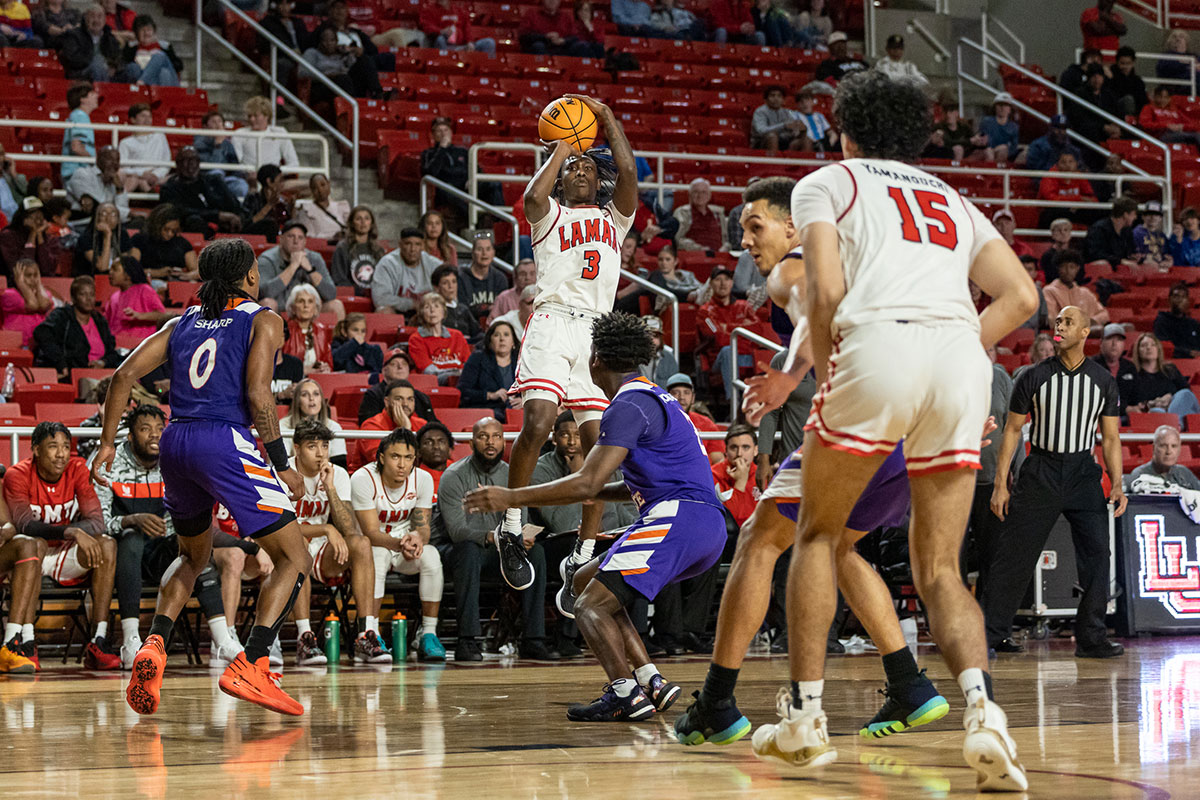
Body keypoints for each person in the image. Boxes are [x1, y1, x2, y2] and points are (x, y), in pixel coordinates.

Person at [749, 72, 1036, 790]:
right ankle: (983, 712)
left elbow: (822, 289)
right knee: (940, 567)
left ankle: (806, 719)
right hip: (959, 360)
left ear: (846, 129)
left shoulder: (829, 181)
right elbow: (1023, 297)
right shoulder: (954, 199)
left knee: (818, 533)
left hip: (877, 345)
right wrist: (963, 343)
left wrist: (831, 361)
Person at [92, 237, 316, 717]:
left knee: (192, 557)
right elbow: (259, 396)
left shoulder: (181, 323)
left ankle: (154, 644)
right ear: (251, 276)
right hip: (222, 441)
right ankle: (253, 663)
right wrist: (282, 464)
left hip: (176, 442)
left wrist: (108, 442)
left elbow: (122, 376)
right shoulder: (264, 318)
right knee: (295, 557)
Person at [465, 311, 727, 719]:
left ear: (596, 360)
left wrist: (510, 495)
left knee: (589, 605)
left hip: (679, 518)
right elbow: (630, 484)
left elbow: (586, 482)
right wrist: (594, 493)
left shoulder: (628, 403)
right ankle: (651, 680)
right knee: (586, 579)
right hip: (700, 520)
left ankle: (624, 693)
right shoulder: (657, 397)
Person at [505, 94, 637, 616]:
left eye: (586, 164)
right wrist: (563, 147)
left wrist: (604, 120)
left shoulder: (615, 219)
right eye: (573, 167)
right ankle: (512, 527)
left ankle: (582, 552)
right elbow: (531, 199)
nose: (581, 169)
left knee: (599, 450)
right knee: (538, 420)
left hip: (596, 336)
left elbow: (626, 169)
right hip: (554, 323)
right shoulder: (550, 213)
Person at [986, 306, 1126, 663]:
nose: (1058, 326)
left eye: (1067, 322)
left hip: (1082, 471)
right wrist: (1001, 484)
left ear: (1084, 333)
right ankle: (992, 634)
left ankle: (1091, 637)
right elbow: (1013, 430)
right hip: (1042, 470)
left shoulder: (1102, 381)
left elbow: (1109, 439)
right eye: (1057, 321)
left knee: (1098, 556)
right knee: (1014, 554)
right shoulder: (1033, 376)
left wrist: (1119, 484)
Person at [100, 406, 244, 669]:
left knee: (196, 551)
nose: (154, 435)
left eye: (159, 429)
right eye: (145, 429)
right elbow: (99, 521)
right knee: (131, 538)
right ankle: (131, 639)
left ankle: (222, 640)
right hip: (124, 555)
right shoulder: (110, 464)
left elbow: (186, 523)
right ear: (130, 437)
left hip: (162, 551)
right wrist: (130, 520)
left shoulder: (173, 462)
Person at [435, 417, 555, 661]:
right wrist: (493, 537)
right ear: (471, 442)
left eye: (496, 436)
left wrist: (522, 537)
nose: (490, 442)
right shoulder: (454, 475)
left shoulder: (513, 475)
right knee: (467, 551)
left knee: (537, 553)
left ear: (504, 441)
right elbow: (457, 532)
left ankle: (533, 639)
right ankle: (467, 641)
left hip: (503, 551)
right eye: (483, 436)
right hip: (460, 552)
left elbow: (520, 521)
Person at [5, 421, 118, 669]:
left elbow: (97, 522)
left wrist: (76, 533)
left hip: (63, 552)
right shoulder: (18, 474)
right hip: (29, 554)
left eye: (66, 447)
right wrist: (72, 531)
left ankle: (98, 639)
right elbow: (25, 524)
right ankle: (26, 641)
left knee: (107, 545)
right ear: (35, 450)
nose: (61, 454)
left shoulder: (77, 470)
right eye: (53, 446)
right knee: (34, 544)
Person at [351, 427, 445, 662]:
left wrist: (418, 538)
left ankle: (428, 634)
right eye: (395, 457)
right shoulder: (363, 479)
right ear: (382, 457)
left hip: (402, 547)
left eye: (408, 457)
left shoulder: (422, 479)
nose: (402, 464)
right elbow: (371, 533)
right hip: (372, 547)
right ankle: (368, 634)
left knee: (432, 556)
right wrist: (399, 542)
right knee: (378, 555)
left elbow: (423, 525)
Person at [287, 419, 375, 665]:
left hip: (321, 550)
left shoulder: (337, 475)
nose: (320, 453)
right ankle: (305, 638)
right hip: (284, 548)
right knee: (299, 546)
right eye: (312, 446)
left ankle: (366, 635)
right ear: (297, 449)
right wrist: (325, 528)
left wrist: (331, 488)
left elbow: (348, 528)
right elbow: (282, 528)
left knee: (362, 544)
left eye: (324, 446)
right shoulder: (281, 473)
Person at [33, 275, 120, 378]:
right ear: (74, 298)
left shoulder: (100, 321)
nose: (88, 299)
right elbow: (41, 333)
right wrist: (61, 364)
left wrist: (103, 362)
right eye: (83, 294)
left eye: (91, 294)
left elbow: (111, 351)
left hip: (101, 374)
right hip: (72, 374)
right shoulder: (62, 316)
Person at [697, 266, 758, 401]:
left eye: (727, 279)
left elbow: (758, 332)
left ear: (732, 283)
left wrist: (728, 327)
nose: (723, 283)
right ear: (711, 284)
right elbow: (719, 339)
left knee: (772, 355)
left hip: (747, 357)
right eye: (718, 279)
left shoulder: (744, 306)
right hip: (719, 361)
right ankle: (734, 405)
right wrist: (743, 333)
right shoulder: (705, 311)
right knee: (727, 351)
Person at [160, 147, 247, 236]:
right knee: (194, 220)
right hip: (195, 227)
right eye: (186, 160)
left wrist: (236, 217)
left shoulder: (213, 180)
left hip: (226, 226)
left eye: (194, 160)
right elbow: (181, 211)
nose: (191, 164)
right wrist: (218, 216)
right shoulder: (169, 188)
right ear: (177, 164)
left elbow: (233, 204)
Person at [256, 221, 339, 314]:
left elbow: (331, 294)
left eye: (300, 238)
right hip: (279, 310)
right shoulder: (267, 259)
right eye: (291, 236)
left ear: (305, 242)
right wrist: (293, 266)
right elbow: (264, 293)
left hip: (308, 311)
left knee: (336, 305)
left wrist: (310, 270)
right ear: (281, 239)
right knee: (267, 303)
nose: (296, 241)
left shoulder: (315, 258)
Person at [458, 319, 520, 420]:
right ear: (490, 341)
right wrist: (490, 395)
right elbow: (463, 391)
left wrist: (523, 401)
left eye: (506, 335)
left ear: (513, 341)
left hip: (516, 411)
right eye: (496, 335)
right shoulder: (477, 359)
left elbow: (533, 389)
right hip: (487, 411)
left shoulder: (522, 361)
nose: (502, 339)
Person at [279, 378, 347, 467]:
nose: (311, 398)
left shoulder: (334, 427)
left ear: (322, 400)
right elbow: (281, 465)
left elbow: (340, 466)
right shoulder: (283, 426)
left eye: (316, 394)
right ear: (297, 401)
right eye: (304, 395)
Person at [1129, 332, 1200, 417]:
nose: (1148, 348)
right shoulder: (1133, 375)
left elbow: (1186, 394)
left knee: (1185, 394)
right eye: (1144, 345)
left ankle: (1174, 423)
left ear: (1158, 349)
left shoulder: (1170, 370)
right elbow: (1134, 402)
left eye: (1153, 345)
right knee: (1157, 411)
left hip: (1177, 409)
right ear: (1138, 351)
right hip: (1153, 413)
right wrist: (1152, 403)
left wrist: (1170, 397)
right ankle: (1174, 424)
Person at [356, 349, 437, 424]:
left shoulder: (422, 397)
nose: (400, 367)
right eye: (394, 364)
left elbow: (434, 426)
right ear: (384, 370)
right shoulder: (373, 395)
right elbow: (367, 426)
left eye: (404, 364)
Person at [372, 227, 440, 316]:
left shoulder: (433, 264)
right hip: (398, 312)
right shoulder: (387, 263)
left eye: (417, 244)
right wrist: (413, 304)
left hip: (427, 312)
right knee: (383, 311)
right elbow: (380, 298)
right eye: (408, 244)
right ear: (400, 245)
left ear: (423, 246)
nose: (413, 249)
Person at [358, 380, 428, 465]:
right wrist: (404, 430)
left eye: (410, 399)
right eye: (399, 399)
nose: (405, 404)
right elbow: (383, 462)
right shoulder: (371, 426)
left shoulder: (422, 424)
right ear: (387, 402)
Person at [103, 256, 172, 340]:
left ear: (128, 275)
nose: (110, 272)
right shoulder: (114, 297)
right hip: (116, 343)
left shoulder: (145, 290)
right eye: (110, 269)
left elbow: (161, 315)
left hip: (139, 343)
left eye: (115, 270)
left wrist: (139, 316)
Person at [409, 293, 471, 385]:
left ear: (443, 312)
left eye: (436, 306)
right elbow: (429, 371)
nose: (432, 310)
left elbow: (469, 364)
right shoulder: (416, 339)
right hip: (434, 381)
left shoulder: (457, 336)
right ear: (421, 313)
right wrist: (455, 373)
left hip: (461, 378)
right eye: (427, 307)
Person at [1042, 250, 1108, 333]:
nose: (1068, 271)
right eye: (1063, 267)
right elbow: (1051, 320)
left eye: (1072, 267)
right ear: (1058, 268)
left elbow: (1104, 314)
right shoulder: (1049, 291)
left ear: (1077, 268)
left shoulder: (1085, 293)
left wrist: (1091, 321)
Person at [128, 204, 198, 280]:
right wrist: (157, 273)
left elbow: (196, 271)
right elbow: (132, 270)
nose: (170, 234)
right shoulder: (140, 239)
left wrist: (185, 276)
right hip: (148, 282)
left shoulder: (183, 244)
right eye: (166, 229)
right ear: (157, 225)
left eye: (174, 231)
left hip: (175, 283)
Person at [419, 117, 470, 223]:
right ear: (433, 135)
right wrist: (442, 148)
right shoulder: (429, 153)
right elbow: (429, 173)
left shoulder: (462, 151)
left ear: (451, 133)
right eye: (439, 131)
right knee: (449, 193)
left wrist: (472, 180)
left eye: (446, 130)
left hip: (465, 186)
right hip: (445, 189)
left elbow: (478, 170)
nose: (443, 134)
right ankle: (474, 219)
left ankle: (497, 218)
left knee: (493, 184)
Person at [233, 96, 302, 173]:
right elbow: (236, 163)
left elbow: (293, 163)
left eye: (256, 116)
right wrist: (248, 172)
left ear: (267, 116)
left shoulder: (280, 132)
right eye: (250, 116)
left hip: (275, 179)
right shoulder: (239, 134)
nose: (252, 119)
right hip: (248, 178)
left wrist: (276, 173)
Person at [666, 373, 724, 464]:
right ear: (666, 397)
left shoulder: (706, 423)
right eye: (676, 393)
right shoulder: (657, 422)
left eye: (686, 393)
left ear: (693, 398)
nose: (681, 397)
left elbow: (718, 460)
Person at [711, 424, 760, 529]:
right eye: (734, 448)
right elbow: (726, 524)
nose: (739, 453)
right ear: (726, 451)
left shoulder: (762, 475)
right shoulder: (713, 475)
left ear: (755, 450)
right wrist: (740, 483)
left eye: (746, 447)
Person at [57, 4, 122, 82]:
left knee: (133, 69)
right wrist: (94, 61)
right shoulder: (74, 35)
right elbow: (72, 59)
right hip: (82, 73)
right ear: (85, 18)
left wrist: (114, 67)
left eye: (99, 16)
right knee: (98, 63)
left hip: (107, 72)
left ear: (105, 20)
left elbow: (118, 57)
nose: (96, 20)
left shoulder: (109, 37)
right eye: (92, 16)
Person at [194, 110, 248, 199]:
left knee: (242, 186)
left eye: (220, 122)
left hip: (225, 181)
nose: (218, 125)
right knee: (216, 173)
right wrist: (217, 145)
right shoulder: (200, 142)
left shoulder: (227, 144)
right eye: (214, 122)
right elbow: (213, 166)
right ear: (205, 127)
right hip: (206, 180)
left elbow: (235, 165)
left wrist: (243, 176)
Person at [1, 258, 56, 347]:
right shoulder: (9, 294)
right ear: (17, 276)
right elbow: (33, 305)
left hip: (40, 344)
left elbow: (44, 306)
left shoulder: (44, 294)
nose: (33, 279)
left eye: (35, 275)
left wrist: (38, 285)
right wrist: (21, 284)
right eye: (28, 275)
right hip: (16, 342)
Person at [66, 145, 129, 221]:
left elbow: (123, 210)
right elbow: (99, 208)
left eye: (117, 160)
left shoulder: (116, 182)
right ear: (98, 160)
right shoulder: (82, 174)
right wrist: (128, 214)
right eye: (110, 159)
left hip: (110, 224)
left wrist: (119, 189)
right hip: (83, 223)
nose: (114, 163)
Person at [331, 205, 385, 294]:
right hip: (352, 296)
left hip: (376, 296)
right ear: (352, 223)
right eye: (358, 219)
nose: (363, 222)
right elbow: (339, 279)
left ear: (371, 224)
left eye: (367, 218)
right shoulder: (342, 247)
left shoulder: (379, 249)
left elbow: (383, 279)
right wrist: (360, 292)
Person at [519, 0, 601, 57]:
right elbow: (524, 36)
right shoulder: (531, 14)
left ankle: (582, 76)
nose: (552, 0)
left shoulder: (566, 17)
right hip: (543, 48)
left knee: (582, 46)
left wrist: (563, 41)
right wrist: (545, 37)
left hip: (562, 49)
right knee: (538, 46)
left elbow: (575, 37)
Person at [117, 105, 169, 193]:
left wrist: (155, 175)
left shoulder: (160, 136)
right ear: (133, 119)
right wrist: (142, 174)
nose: (147, 120)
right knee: (135, 180)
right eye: (143, 116)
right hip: (136, 177)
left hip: (158, 176)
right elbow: (123, 168)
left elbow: (166, 162)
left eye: (149, 116)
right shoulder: (125, 142)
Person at [281, 284, 332, 374]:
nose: (306, 306)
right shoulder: (284, 331)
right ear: (292, 308)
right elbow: (278, 365)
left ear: (316, 308)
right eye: (301, 301)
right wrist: (301, 370)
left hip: (317, 380)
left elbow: (328, 362)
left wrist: (325, 368)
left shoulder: (321, 331)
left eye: (310, 301)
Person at [1129, 425, 1200, 491]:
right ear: (1154, 448)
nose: (1169, 451)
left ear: (1179, 450)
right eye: (1163, 446)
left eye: (1174, 446)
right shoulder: (1140, 475)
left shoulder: (1185, 473)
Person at [1036, 151, 1096, 227]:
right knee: (1053, 213)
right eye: (1063, 162)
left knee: (1094, 212)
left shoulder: (1079, 176)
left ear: (1076, 164)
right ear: (1057, 164)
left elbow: (1092, 198)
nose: (1067, 165)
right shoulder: (1050, 177)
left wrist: (1079, 204)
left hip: (1075, 209)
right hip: (1052, 211)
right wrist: (1077, 200)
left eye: (1071, 162)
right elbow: (1051, 199)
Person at [0, 197, 56, 276]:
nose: (37, 221)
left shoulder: (48, 237)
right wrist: (32, 235)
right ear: (23, 218)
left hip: (44, 283)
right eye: (33, 217)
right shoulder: (8, 236)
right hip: (14, 283)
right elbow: (22, 269)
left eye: (40, 217)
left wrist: (39, 236)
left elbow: (47, 269)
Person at [457, 235, 508, 319]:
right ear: (473, 253)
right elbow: (461, 310)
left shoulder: (500, 278)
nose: (484, 253)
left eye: (488, 249)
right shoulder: (461, 277)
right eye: (480, 249)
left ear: (493, 253)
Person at [419, 0, 496, 53]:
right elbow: (426, 27)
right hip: (445, 45)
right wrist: (441, 31)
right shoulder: (428, 10)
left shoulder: (459, 10)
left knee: (489, 42)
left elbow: (466, 28)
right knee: (440, 39)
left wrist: (470, 42)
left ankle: (486, 70)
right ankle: (446, 63)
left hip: (462, 46)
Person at [674, 178, 728, 253]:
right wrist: (698, 249)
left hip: (719, 255)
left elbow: (727, 239)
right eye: (696, 192)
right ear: (690, 195)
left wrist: (725, 248)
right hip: (694, 255)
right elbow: (677, 238)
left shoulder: (718, 213)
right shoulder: (682, 212)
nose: (700, 195)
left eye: (704, 192)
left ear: (709, 195)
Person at [1093, 322, 1136, 415]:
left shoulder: (1130, 367)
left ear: (1124, 344)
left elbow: (1136, 397)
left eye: (1119, 340)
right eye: (1109, 338)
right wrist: (1124, 408)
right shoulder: (1091, 366)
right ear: (1101, 343)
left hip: (1126, 418)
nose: (1114, 343)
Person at [1084, 196, 1139, 268]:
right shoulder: (1099, 229)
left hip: (1120, 267)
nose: (1135, 217)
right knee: (1103, 265)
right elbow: (1095, 254)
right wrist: (1120, 261)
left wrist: (1134, 257)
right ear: (1125, 214)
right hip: (1101, 268)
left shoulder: (1127, 231)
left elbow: (1130, 251)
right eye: (1134, 214)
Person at [241, 163, 292, 241]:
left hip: (282, 237)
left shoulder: (281, 201)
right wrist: (270, 205)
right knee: (270, 224)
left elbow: (287, 222)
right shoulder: (253, 198)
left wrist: (292, 207)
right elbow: (247, 224)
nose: (282, 183)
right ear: (269, 181)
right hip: (257, 237)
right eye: (280, 180)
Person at [60, 82, 98, 183]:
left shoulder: (77, 115)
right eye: (92, 94)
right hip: (78, 174)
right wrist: (95, 162)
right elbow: (76, 147)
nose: (97, 96)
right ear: (82, 99)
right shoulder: (80, 116)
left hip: (76, 173)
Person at [292, 174, 348, 242]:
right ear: (311, 190)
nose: (320, 190)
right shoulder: (306, 210)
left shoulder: (341, 206)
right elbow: (308, 236)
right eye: (315, 188)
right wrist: (333, 237)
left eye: (323, 185)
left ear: (329, 184)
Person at [1017, 115, 1083, 172]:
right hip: (1044, 181)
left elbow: (1081, 168)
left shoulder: (1072, 149)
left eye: (1063, 129)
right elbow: (1033, 169)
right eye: (1057, 128)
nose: (1060, 132)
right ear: (1050, 128)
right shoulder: (1038, 145)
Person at [750, 86, 802, 153]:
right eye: (772, 96)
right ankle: (774, 162)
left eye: (779, 96)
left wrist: (797, 130)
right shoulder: (760, 112)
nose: (776, 98)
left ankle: (793, 161)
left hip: (784, 141)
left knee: (803, 139)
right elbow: (761, 130)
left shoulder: (787, 112)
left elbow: (792, 131)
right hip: (761, 143)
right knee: (772, 136)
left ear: (783, 100)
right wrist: (784, 126)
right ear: (766, 100)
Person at [1155, 282, 1200, 357]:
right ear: (1169, 300)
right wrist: (1188, 353)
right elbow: (1163, 346)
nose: (1180, 300)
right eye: (1176, 296)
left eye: (1183, 297)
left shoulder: (1193, 323)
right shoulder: (1161, 321)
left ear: (1188, 301)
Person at [488, 258, 535, 324]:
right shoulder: (503, 298)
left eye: (532, 273)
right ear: (515, 278)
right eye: (522, 274)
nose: (528, 278)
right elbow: (492, 325)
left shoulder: (546, 296)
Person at [979, 93, 1020, 163]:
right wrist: (992, 149)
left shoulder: (1014, 127)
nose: (1002, 108)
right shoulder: (987, 122)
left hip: (1005, 153)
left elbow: (1014, 147)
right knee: (989, 153)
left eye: (1006, 105)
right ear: (995, 107)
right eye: (1000, 105)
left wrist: (1004, 148)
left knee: (1003, 150)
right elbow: (983, 140)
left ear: (1010, 109)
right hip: (988, 151)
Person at [1156, 29, 1200, 94]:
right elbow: (1164, 68)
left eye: (1181, 36)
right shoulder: (1167, 55)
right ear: (1170, 41)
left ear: (1186, 41)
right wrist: (1188, 63)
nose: (1177, 39)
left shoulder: (1194, 55)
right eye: (1174, 37)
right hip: (1177, 87)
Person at [416, 421, 454, 496]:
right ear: (418, 452)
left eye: (441, 442)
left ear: (450, 449)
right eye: (428, 442)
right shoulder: (413, 478)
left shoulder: (461, 474)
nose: (436, 446)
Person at [1109, 46, 1148, 118]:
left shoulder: (1138, 81)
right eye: (1122, 63)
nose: (1125, 66)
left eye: (1128, 63)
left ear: (1133, 63)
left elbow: (1143, 100)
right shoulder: (1110, 78)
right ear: (1117, 62)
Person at [639, 315, 678, 386]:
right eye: (647, 335)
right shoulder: (630, 359)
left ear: (660, 339)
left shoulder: (668, 358)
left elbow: (674, 387)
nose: (651, 340)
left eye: (655, 336)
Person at [1133, 201, 1172, 268]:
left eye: (1156, 215)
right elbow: (1134, 256)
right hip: (1143, 270)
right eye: (1149, 214)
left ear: (1160, 218)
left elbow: (1168, 256)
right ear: (1143, 217)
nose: (1153, 217)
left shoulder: (1162, 235)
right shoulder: (1136, 233)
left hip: (1160, 271)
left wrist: (1168, 261)